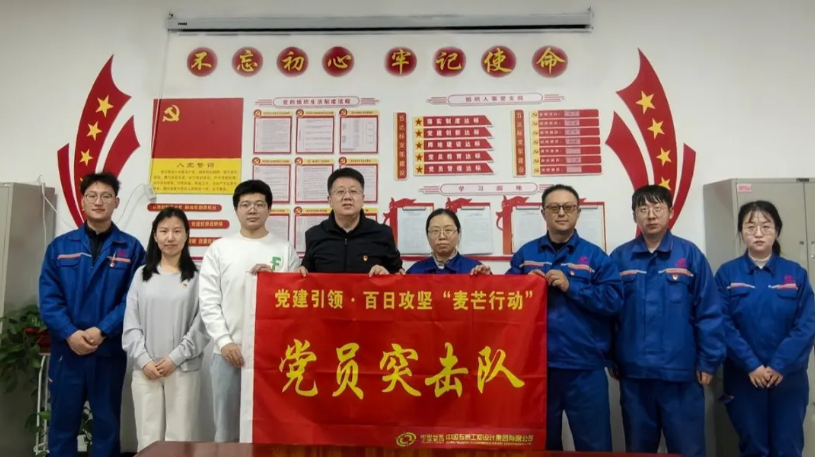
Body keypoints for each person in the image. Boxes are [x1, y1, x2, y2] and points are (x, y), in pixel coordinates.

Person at [506, 184, 623, 452]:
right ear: (543, 213)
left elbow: (614, 301)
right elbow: (506, 300)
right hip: (537, 369)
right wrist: (523, 285)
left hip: (585, 367)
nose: (561, 213)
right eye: (554, 207)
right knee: (541, 445)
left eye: (568, 207)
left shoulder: (595, 257)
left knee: (594, 445)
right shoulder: (526, 255)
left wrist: (572, 287)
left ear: (578, 212)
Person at [609, 185, 724, 457]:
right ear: (634, 215)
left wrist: (708, 360)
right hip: (635, 374)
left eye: (658, 208)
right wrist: (612, 357)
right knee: (639, 449)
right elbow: (609, 313)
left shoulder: (690, 255)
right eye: (643, 209)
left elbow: (708, 310)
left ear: (670, 212)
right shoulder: (620, 258)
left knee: (687, 449)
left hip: (681, 374)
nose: (651, 215)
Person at [38, 171, 146, 457]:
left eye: (106, 196)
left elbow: (133, 299)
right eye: (92, 196)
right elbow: (49, 299)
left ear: (116, 202)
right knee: (62, 426)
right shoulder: (60, 247)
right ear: (82, 201)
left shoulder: (131, 248)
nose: (99, 202)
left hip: (107, 351)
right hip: (67, 352)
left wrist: (102, 330)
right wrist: (70, 333)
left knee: (107, 427)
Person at [199, 179, 300, 442]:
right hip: (229, 354)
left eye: (259, 204)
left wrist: (273, 281)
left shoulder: (283, 249)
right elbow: (209, 302)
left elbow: (292, 302)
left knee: (271, 428)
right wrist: (224, 342)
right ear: (236, 210)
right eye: (245, 204)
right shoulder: (219, 249)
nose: (252, 210)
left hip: (273, 357)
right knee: (227, 431)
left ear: (269, 209)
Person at [714, 201, 815, 457]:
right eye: (750, 227)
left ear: (776, 231)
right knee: (753, 446)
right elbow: (722, 323)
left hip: (788, 378)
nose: (758, 233)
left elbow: (807, 324)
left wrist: (780, 365)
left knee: (788, 446)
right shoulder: (727, 274)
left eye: (766, 226)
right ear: (741, 232)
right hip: (745, 377)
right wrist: (751, 365)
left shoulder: (796, 274)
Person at [122, 207, 209, 451]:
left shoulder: (198, 277)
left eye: (177, 231)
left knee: (179, 439)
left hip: (183, 369)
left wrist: (175, 358)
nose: (170, 237)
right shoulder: (141, 275)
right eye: (164, 231)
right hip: (146, 370)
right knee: (147, 439)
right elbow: (131, 323)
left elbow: (202, 325)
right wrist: (144, 360)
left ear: (186, 235)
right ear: (155, 235)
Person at [299, 167, 402, 276]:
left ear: (363, 199)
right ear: (330, 200)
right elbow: (306, 274)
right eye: (340, 192)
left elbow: (398, 275)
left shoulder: (382, 234)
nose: (347, 197)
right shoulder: (314, 235)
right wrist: (301, 272)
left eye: (353, 191)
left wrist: (386, 273)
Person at [406, 208, 490, 275]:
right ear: (428, 236)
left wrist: (486, 280)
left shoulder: (473, 269)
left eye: (448, 230)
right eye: (435, 231)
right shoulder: (415, 271)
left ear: (458, 233)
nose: (442, 236)